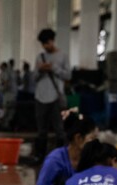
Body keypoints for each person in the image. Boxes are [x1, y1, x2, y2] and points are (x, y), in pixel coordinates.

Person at [32, 28, 71, 164]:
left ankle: (60, 158)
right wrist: (40, 70)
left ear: (52, 41)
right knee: (41, 130)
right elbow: (34, 77)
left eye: (47, 43)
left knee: (59, 129)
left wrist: (53, 68)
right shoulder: (40, 57)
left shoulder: (63, 56)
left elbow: (68, 75)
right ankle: (40, 156)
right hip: (40, 97)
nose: (45, 46)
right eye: (43, 44)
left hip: (56, 97)